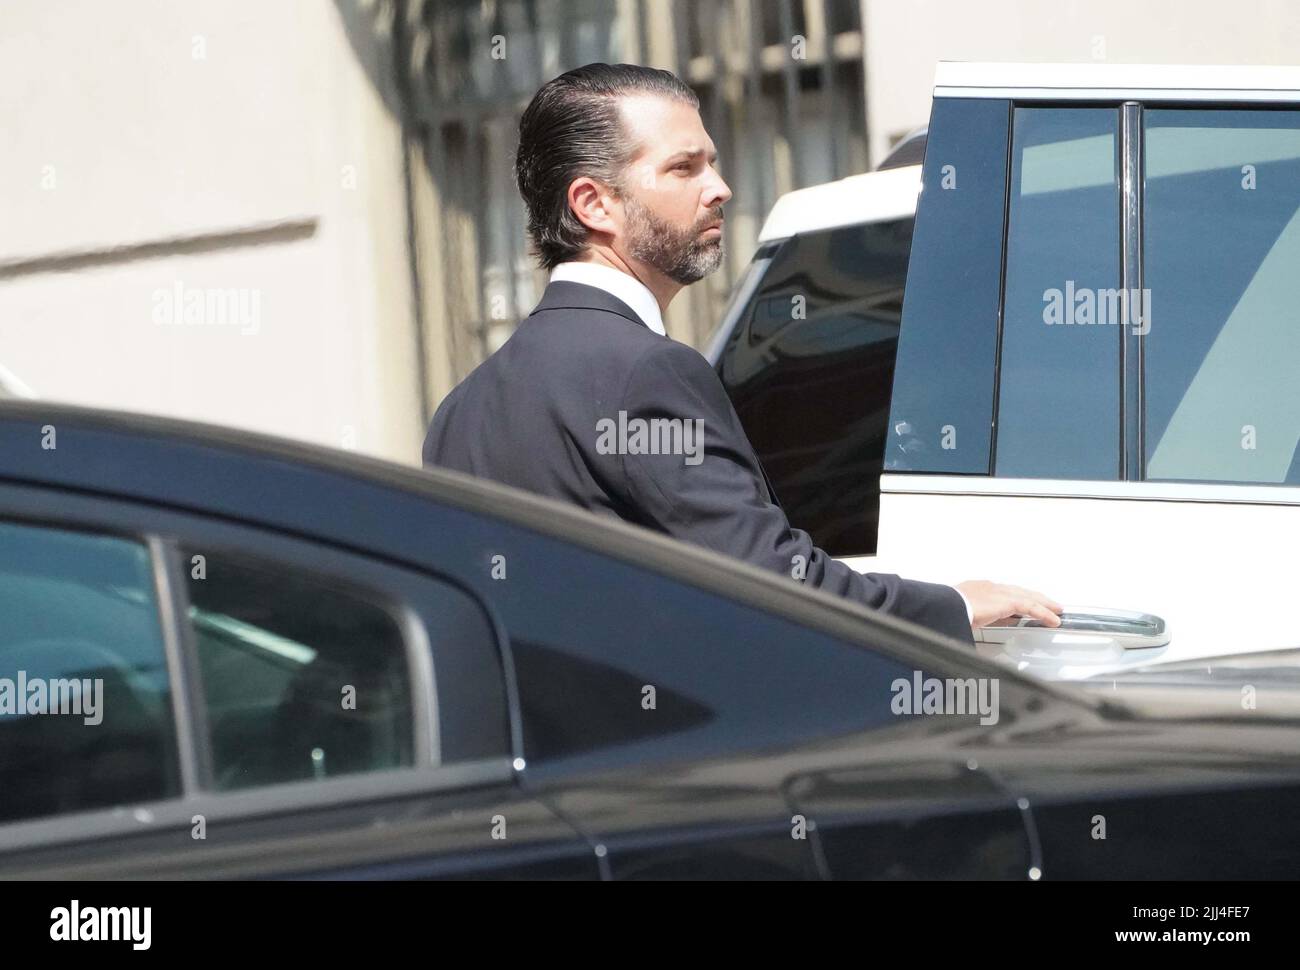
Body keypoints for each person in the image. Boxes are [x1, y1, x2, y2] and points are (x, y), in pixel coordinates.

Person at [423, 63, 1062, 644]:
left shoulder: (459, 412)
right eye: (684, 168)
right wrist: (950, 605)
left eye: (714, 163)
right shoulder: (647, 371)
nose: (721, 187)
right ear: (594, 204)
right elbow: (772, 581)